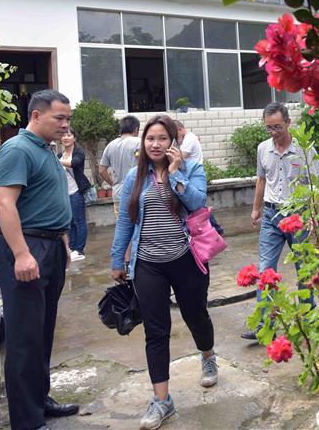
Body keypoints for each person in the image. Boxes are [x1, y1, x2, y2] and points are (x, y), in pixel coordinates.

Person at [109, 114, 216, 430]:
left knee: (196, 315)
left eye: (162, 139)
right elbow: (126, 222)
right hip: (148, 263)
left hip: (186, 259)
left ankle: (208, 356)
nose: (155, 144)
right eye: (150, 138)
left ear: (174, 142)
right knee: (156, 330)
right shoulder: (135, 177)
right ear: (143, 142)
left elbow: (197, 204)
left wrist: (175, 174)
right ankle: (162, 400)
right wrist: (118, 260)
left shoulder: (191, 169)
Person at [0, 89, 79, 430]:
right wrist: (22, 254)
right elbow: (5, 204)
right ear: (36, 115)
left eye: (68, 118)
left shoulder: (44, 150)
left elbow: (49, 202)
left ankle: (40, 400)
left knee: (42, 330)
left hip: (50, 246)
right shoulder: (16, 149)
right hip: (26, 247)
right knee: (24, 336)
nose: (65, 124)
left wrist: (64, 244)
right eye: (60, 117)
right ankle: (27, 421)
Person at [241, 102, 319, 341]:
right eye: (268, 128)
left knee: (305, 269)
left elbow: (318, 184)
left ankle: (308, 319)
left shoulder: (304, 148)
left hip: (298, 215)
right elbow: (261, 179)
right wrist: (256, 210)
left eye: (277, 127)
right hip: (270, 215)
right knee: (265, 269)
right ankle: (264, 325)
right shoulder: (263, 149)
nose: (273, 132)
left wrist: (313, 217)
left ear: (288, 123)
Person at [58, 128, 91, 261]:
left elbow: (74, 163)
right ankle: (71, 249)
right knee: (69, 222)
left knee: (79, 221)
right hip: (64, 193)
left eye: (69, 135)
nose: (66, 137)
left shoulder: (79, 152)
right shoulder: (59, 154)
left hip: (76, 191)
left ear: (74, 138)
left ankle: (80, 250)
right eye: (64, 135)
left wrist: (55, 160)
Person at [99, 115, 141, 218]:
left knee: (122, 224)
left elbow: (101, 170)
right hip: (137, 191)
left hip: (118, 192)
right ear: (136, 129)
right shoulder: (139, 143)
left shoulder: (110, 145)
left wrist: (112, 182)